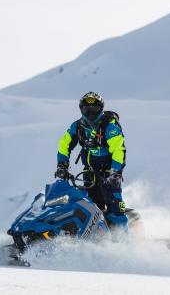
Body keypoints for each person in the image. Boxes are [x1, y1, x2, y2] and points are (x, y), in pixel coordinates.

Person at [55, 91, 128, 236]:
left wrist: (114, 172)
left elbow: (119, 150)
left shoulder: (109, 126)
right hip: (89, 173)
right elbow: (64, 144)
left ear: (100, 108)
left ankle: (124, 245)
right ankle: (95, 241)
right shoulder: (78, 126)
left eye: (94, 109)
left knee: (116, 208)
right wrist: (61, 166)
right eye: (86, 109)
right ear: (81, 109)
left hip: (109, 174)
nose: (90, 113)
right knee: (90, 209)